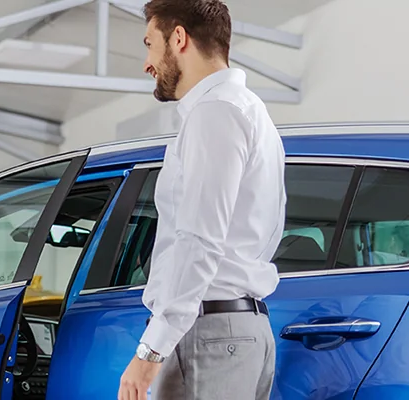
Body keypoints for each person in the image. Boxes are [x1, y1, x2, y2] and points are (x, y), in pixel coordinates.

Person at [117, 1, 287, 399]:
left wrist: (150, 351)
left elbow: (199, 239)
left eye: (149, 44)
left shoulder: (215, 113)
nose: (147, 63)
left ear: (178, 38)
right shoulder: (251, 111)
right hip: (239, 332)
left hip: (208, 333)